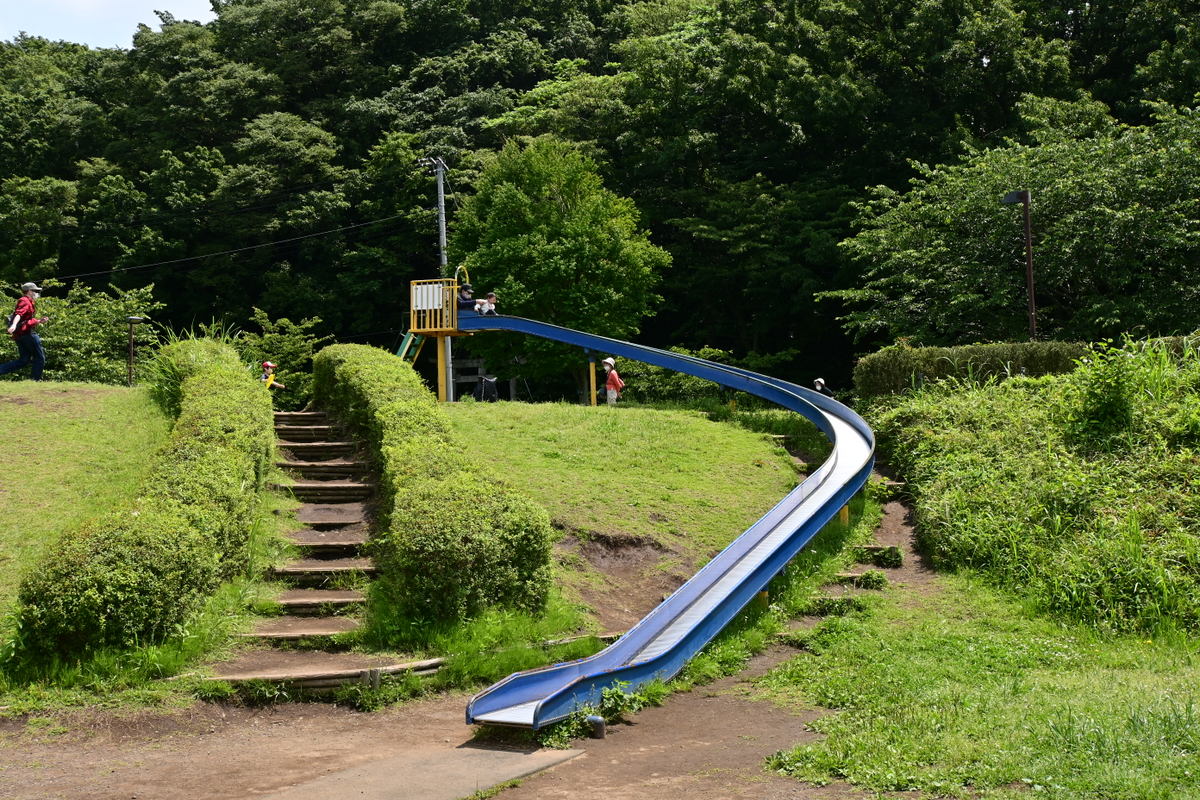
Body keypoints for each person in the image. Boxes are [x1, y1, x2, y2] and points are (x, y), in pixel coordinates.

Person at [0, 282, 49, 381]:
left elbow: (25, 320)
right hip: (28, 335)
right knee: (40, 358)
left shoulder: (28, 301)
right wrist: (14, 324)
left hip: (20, 335)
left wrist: (39, 321)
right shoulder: (25, 301)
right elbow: (19, 314)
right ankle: (35, 381)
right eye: (35, 291)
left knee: (24, 360)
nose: (37, 293)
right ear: (29, 291)